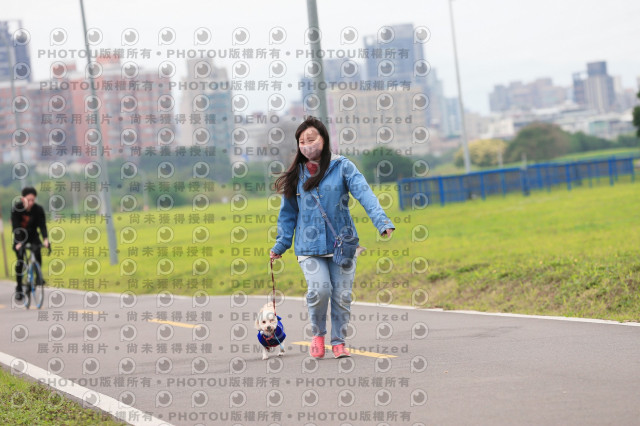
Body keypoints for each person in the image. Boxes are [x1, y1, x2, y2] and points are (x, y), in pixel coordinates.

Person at [269, 116, 395, 359]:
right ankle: (318, 334)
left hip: (342, 244)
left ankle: (338, 342)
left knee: (342, 296)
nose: (307, 145)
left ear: (324, 139)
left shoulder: (342, 167)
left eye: (311, 139)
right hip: (309, 247)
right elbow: (287, 214)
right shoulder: (296, 175)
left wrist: (382, 221)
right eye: (302, 142)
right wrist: (281, 244)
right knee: (320, 289)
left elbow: (365, 194)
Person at [11, 186, 49, 301]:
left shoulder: (38, 209)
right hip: (20, 237)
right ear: (23, 199)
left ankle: (37, 277)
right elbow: (16, 227)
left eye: (33, 200)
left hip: (33, 236)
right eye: (29, 200)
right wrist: (19, 243)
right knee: (20, 260)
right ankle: (19, 287)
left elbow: (42, 225)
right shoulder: (16, 209)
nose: (31, 202)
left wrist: (46, 239)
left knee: (37, 253)